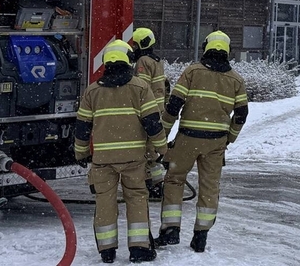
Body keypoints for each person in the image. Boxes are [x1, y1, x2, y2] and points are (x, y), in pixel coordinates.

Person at [75, 39, 167, 264]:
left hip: (103, 161)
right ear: (128, 60)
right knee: (136, 199)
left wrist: (81, 153)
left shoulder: (92, 91)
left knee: (105, 202)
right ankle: (139, 249)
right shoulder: (139, 87)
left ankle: (107, 251)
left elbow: (82, 127)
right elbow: (152, 122)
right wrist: (162, 149)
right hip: (134, 160)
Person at [156, 31, 248, 253]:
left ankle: (170, 230)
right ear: (227, 50)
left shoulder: (192, 71)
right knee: (209, 186)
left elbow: (173, 104)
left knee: (174, 180)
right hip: (215, 143)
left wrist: (162, 137)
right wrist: (230, 138)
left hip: (188, 138)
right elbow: (242, 113)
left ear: (206, 47)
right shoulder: (236, 79)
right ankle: (201, 236)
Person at [130, 28, 169, 198]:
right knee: (152, 148)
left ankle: (152, 185)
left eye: (136, 45)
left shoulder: (144, 61)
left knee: (147, 151)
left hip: (147, 109)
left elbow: (140, 87)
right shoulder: (156, 61)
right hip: (157, 108)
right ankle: (157, 183)